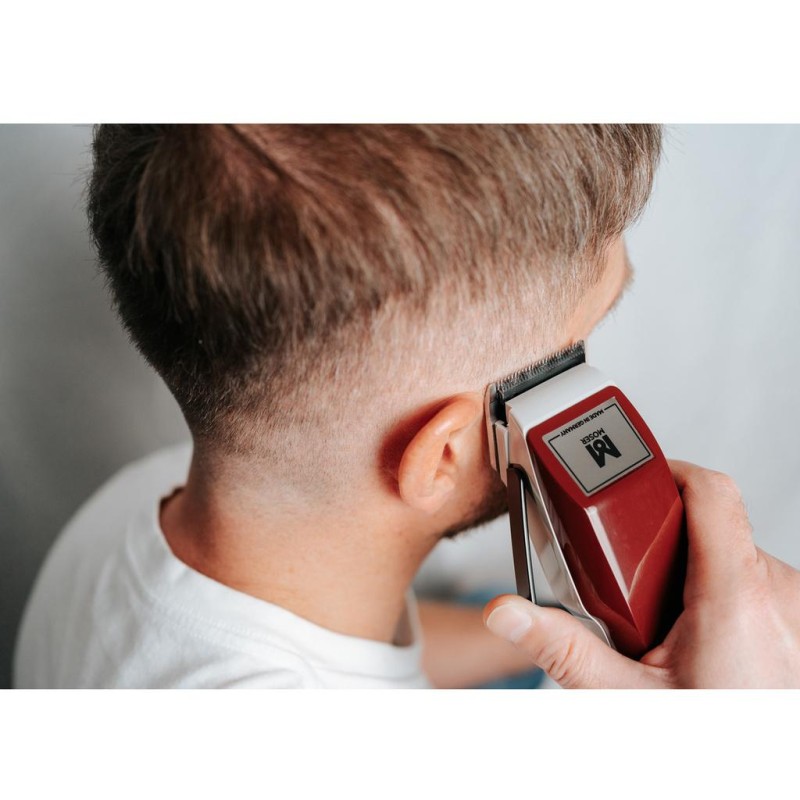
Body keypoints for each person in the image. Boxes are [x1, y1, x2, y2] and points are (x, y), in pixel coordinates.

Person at [13, 124, 799, 689]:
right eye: (568, 363)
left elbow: (369, 653)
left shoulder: (151, 504)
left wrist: (546, 634)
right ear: (442, 456)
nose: (595, 401)